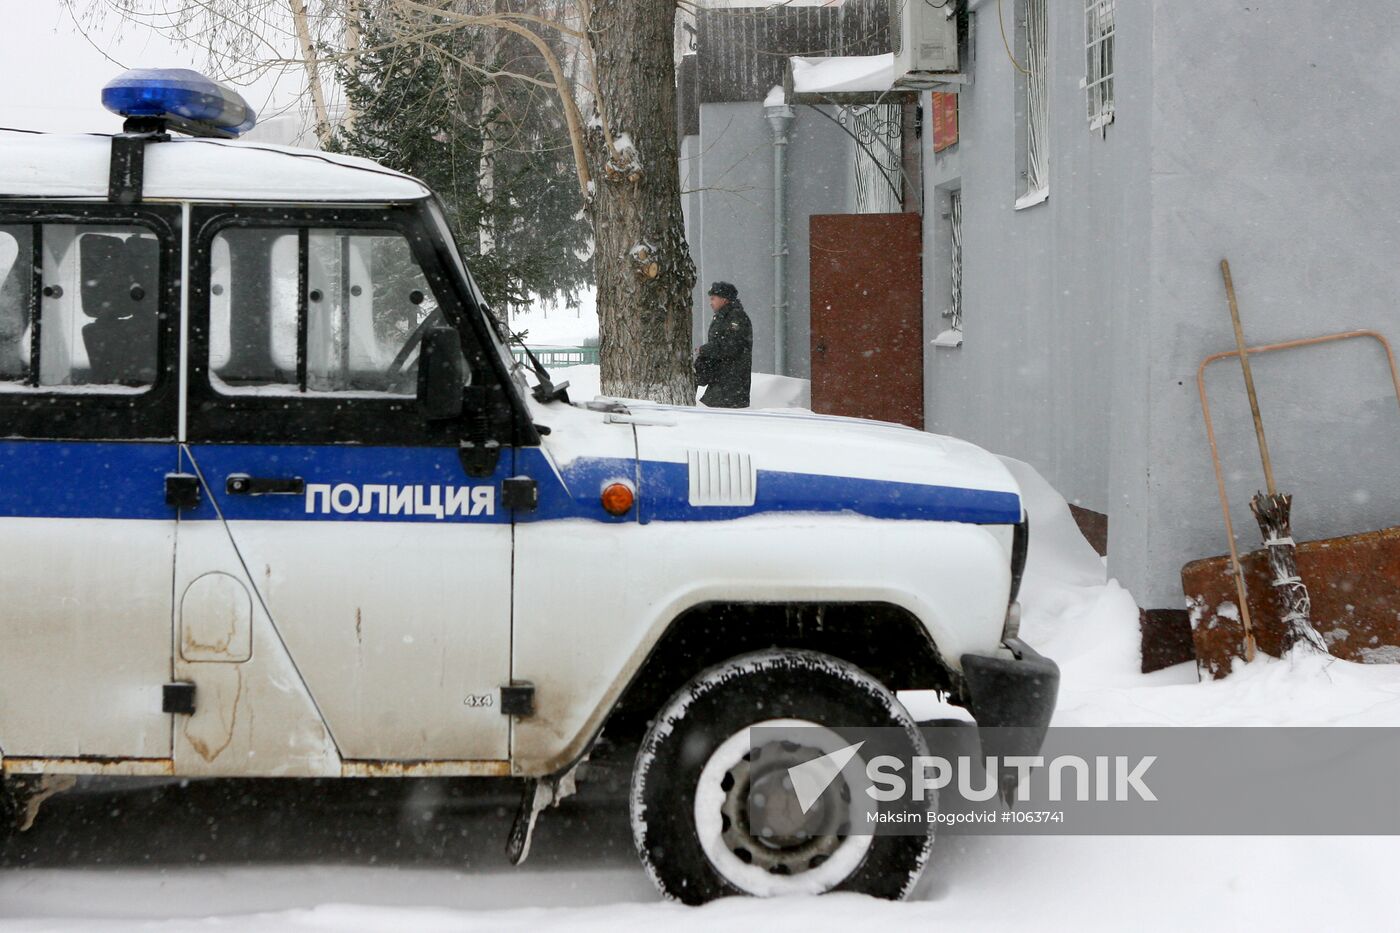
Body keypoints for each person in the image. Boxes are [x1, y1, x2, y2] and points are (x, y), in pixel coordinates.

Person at [694, 281, 752, 408]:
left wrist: (704, 350)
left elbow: (730, 346)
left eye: (713, 298)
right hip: (721, 380)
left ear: (724, 299)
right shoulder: (722, 317)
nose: (710, 302)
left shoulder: (736, 318)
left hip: (731, 384)